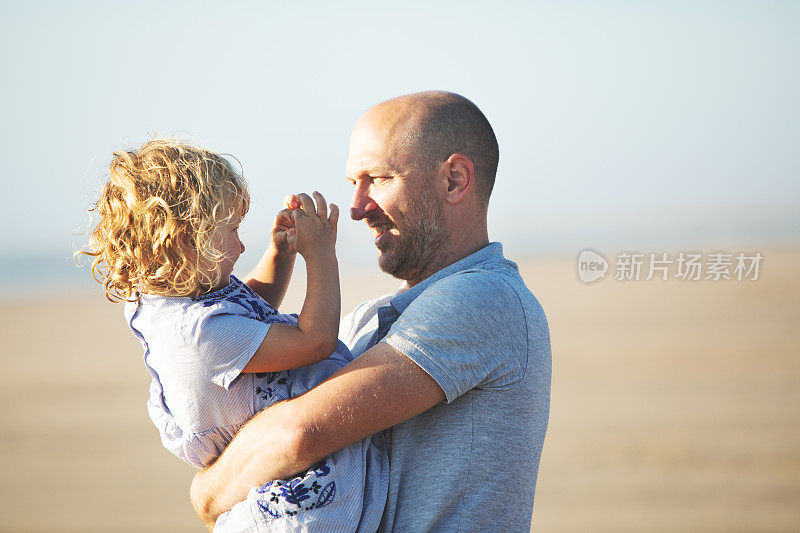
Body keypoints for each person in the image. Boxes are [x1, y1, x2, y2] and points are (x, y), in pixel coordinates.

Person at [191, 91, 552, 531]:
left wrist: (205, 493)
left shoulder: (486, 298)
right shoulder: (365, 319)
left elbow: (295, 435)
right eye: (352, 184)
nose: (358, 208)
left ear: (455, 180)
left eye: (377, 178)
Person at [80, 139, 388, 531]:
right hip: (301, 499)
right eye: (231, 231)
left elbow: (249, 325)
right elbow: (315, 341)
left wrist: (281, 253)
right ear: (187, 240)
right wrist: (322, 255)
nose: (242, 246)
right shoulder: (197, 335)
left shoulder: (178, 304)